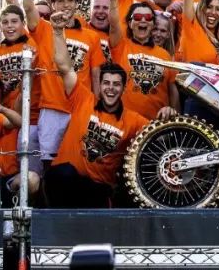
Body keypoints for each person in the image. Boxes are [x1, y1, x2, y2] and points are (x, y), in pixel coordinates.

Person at [23, 0, 106, 169]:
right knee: (49, 165)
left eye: (70, 0)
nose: (65, 5)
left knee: (81, 164)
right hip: (52, 107)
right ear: (53, 5)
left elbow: (96, 74)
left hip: (81, 108)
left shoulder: (91, 36)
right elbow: (28, 6)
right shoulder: (43, 30)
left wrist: (97, 108)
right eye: (60, 0)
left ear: (77, 4)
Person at [44, 47, 149, 208]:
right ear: (99, 85)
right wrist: (58, 34)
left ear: (124, 88)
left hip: (96, 190)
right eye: (106, 83)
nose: (111, 88)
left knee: (103, 191)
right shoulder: (83, 99)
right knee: (64, 172)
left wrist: (167, 112)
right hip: (64, 183)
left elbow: (158, 134)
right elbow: (65, 67)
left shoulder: (133, 120)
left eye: (116, 84)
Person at [0, 4, 42, 175]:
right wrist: (0, 88)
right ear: (0, 25)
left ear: (23, 23)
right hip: (6, 119)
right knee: (8, 165)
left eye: (14, 21)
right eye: (5, 22)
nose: (9, 26)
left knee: (31, 170)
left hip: (33, 117)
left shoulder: (34, 44)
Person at [104, 0, 180, 120]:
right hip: (124, 122)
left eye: (148, 17)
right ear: (130, 23)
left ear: (152, 24)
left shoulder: (165, 55)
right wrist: (113, 1)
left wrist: (175, 116)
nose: (143, 20)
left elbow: (173, 91)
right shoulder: (121, 46)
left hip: (155, 125)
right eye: (138, 17)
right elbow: (114, 24)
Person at [0, 77, 40, 204]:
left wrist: (2, 109)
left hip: (10, 182)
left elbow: (23, 97)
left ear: (2, 101)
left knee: (32, 179)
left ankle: (19, 211)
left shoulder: (10, 118)